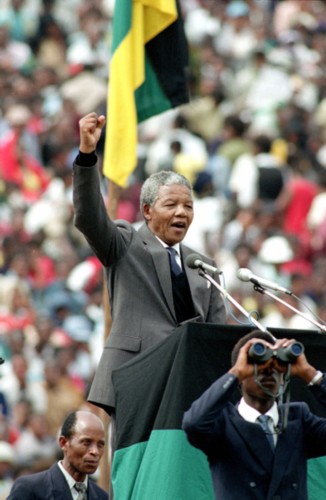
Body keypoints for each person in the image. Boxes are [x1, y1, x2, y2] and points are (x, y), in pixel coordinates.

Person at [72, 112, 226, 418]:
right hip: (136, 380)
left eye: (188, 206)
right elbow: (89, 217)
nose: (181, 213)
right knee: (139, 466)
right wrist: (88, 156)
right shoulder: (125, 244)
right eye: (171, 205)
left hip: (188, 390)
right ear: (146, 210)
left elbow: (216, 337)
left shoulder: (204, 266)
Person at [182, 329, 326, 500]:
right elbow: (193, 424)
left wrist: (311, 374)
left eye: (277, 364)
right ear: (241, 375)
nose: (269, 371)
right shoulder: (223, 424)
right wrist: (236, 373)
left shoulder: (299, 418)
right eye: (257, 364)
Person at [7, 410, 108, 499]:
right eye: (86, 442)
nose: (95, 451)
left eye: (100, 445)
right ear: (63, 443)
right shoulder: (29, 489)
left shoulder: (102, 496)